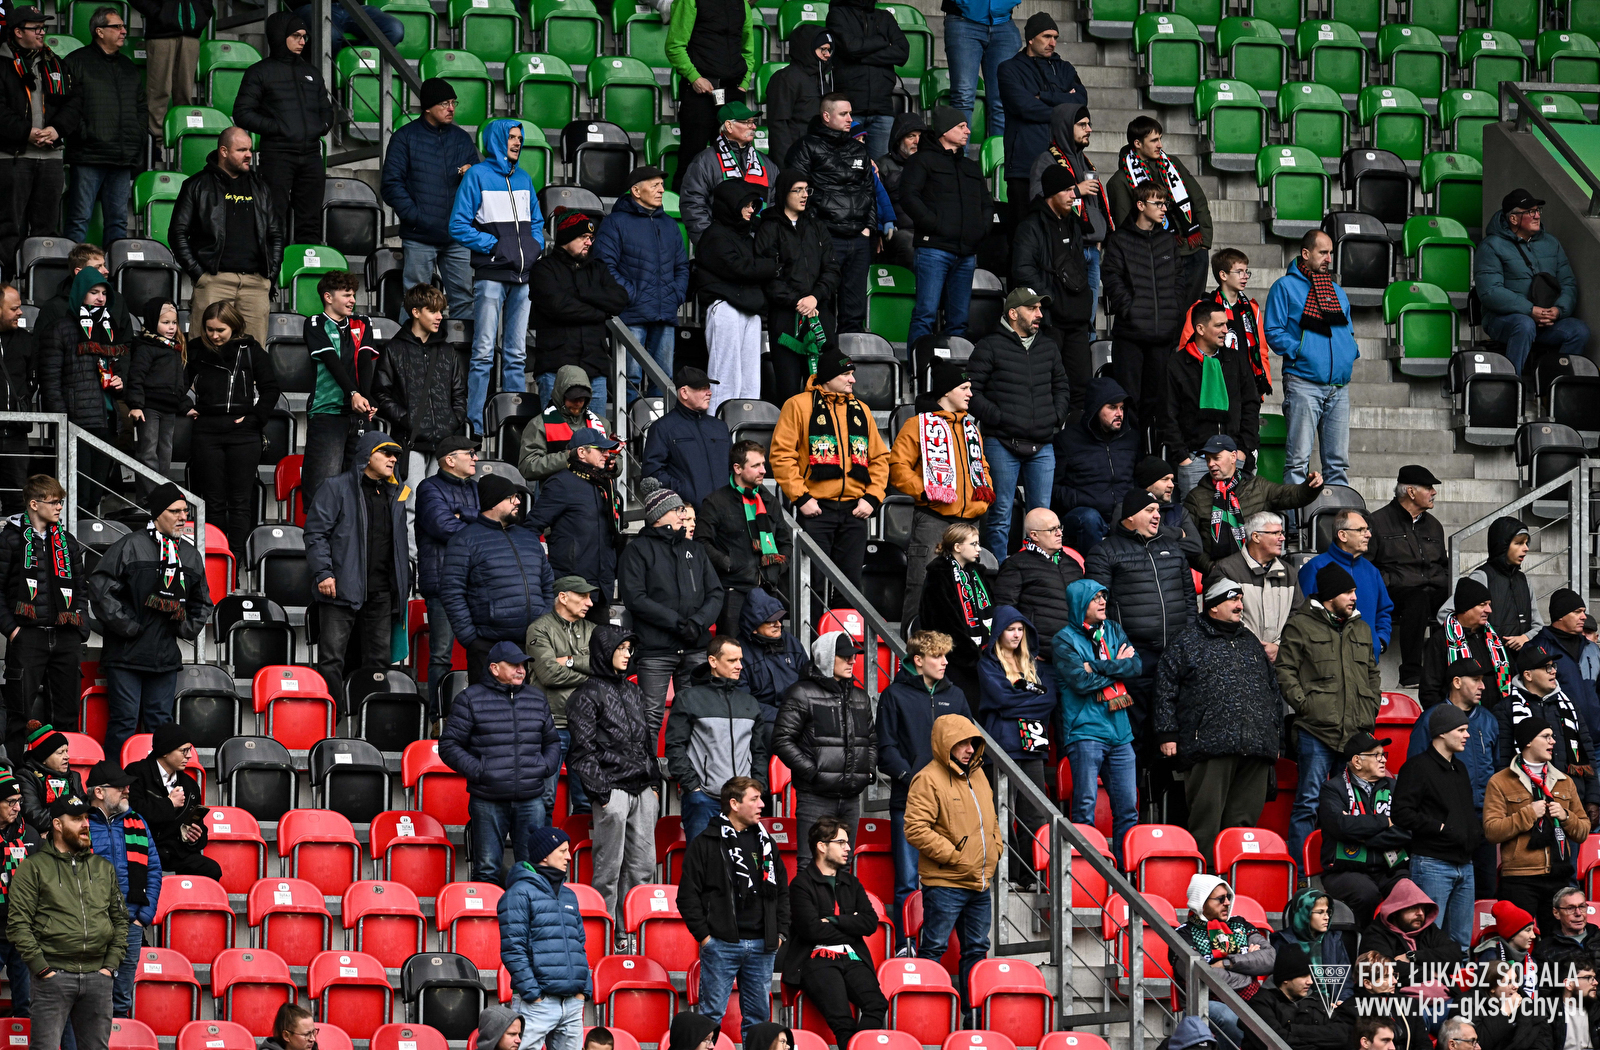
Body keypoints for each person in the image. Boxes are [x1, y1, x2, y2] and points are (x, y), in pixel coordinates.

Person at [1154, 578, 1282, 860]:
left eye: (1240, 600)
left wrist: (1275, 738)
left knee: (1243, 828)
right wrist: (1167, 733)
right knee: (1206, 824)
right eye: (1233, 600)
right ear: (1213, 606)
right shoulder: (1186, 640)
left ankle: (1238, 879)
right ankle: (1207, 879)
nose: (1240, 606)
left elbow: (1272, 691)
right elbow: (1165, 688)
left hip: (1256, 745)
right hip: (1208, 745)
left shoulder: (1250, 641)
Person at [87, 485, 212, 764]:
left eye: (185, 511)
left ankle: (155, 784)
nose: (182, 517)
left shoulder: (190, 554)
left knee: (160, 726)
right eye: (175, 511)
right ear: (157, 514)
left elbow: (203, 602)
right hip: (126, 655)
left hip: (164, 657)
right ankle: (116, 781)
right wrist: (128, 627)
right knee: (124, 722)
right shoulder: (130, 545)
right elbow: (100, 589)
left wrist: (185, 628)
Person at [1277, 562, 1383, 873]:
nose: (1354, 597)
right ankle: (1301, 875)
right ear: (1329, 595)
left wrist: (1371, 706)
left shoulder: (1362, 628)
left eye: (1354, 591)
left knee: (1349, 805)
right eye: (1348, 592)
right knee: (1308, 803)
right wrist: (1305, 705)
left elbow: (1372, 673)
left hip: (1354, 733)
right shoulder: (1300, 625)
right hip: (1316, 730)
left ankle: (1342, 871)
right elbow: (1285, 670)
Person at [8, 794, 126, 1050]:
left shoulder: (103, 868)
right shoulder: (33, 868)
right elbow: (18, 924)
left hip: (98, 977)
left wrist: (110, 966)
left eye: (85, 818)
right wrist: (42, 969)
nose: (85, 824)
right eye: (76, 819)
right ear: (57, 825)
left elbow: (120, 920)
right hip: (53, 977)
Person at [678, 776, 790, 1041]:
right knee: (709, 1020)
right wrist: (706, 937)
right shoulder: (706, 842)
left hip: (763, 945)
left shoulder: (766, 843)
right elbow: (687, 896)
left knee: (759, 1022)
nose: (762, 805)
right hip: (722, 944)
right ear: (734, 804)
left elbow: (782, 892)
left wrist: (780, 933)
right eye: (755, 799)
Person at [876, 631, 969, 946]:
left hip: (950, 806)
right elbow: (885, 749)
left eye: (945, 656)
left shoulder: (955, 696)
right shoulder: (893, 695)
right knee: (907, 882)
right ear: (918, 660)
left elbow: (968, 744)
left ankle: (934, 954)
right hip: (909, 803)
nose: (944, 663)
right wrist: (911, 778)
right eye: (937, 656)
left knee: (946, 881)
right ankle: (906, 950)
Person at [449, 119, 543, 432]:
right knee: (483, 353)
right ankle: (475, 425)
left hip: (523, 277)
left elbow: (538, 222)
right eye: (511, 137)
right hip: (491, 274)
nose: (517, 142)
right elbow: (458, 225)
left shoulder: (524, 178)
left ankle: (512, 427)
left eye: (520, 138)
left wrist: (534, 247)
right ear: (497, 140)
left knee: (517, 353)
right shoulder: (477, 175)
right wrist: (496, 246)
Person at [769, 351, 890, 592]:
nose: (852, 379)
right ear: (828, 376)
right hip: (816, 510)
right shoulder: (797, 405)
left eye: (852, 374)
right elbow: (782, 456)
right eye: (846, 374)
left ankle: (843, 621)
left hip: (855, 512)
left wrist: (872, 498)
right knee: (812, 586)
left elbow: (879, 459)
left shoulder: (862, 409)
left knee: (850, 587)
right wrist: (801, 498)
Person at [440, 640, 560, 883]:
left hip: (530, 799)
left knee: (533, 871)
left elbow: (553, 742)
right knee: (486, 870)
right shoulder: (470, 699)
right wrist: (481, 771)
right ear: (494, 668)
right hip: (488, 799)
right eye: (514, 665)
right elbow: (448, 745)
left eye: (523, 665)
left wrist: (543, 767)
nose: (521, 670)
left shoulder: (536, 698)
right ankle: (487, 911)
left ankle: (526, 910)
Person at [304, 431, 410, 705]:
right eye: (386, 453)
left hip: (382, 592)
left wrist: (402, 584)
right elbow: (316, 533)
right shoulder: (335, 487)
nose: (393, 459)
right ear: (367, 456)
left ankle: (370, 719)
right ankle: (333, 717)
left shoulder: (396, 492)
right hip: (340, 589)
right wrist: (324, 573)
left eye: (396, 455)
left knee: (378, 661)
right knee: (332, 659)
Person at [1083, 491, 1196, 744]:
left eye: (1158, 510)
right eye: (1149, 510)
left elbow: (1189, 598)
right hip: (1134, 655)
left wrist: (1188, 640)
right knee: (1136, 729)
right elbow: (1096, 607)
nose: (1157, 516)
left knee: (1173, 729)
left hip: (1175, 654)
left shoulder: (1173, 548)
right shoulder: (1104, 552)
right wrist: (1114, 647)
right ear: (1130, 516)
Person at [968, 288, 1070, 561]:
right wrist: (998, 418)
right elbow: (971, 391)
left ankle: (1039, 575)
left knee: (1042, 519)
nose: (1039, 314)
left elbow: (1062, 386)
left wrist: (1056, 417)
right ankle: (999, 576)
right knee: (1000, 516)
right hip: (1002, 443)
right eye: (1032, 309)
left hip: (1042, 445)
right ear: (1013, 313)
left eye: (1040, 308)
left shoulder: (1048, 346)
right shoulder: (989, 346)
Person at [889, 361, 996, 623]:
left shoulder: (972, 428)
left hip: (969, 524)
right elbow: (898, 468)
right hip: (933, 521)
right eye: (964, 388)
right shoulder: (917, 424)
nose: (970, 394)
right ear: (947, 391)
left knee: (965, 595)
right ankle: (914, 646)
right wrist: (927, 492)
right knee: (922, 588)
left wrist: (982, 503)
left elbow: (982, 467)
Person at [904, 714, 997, 1006]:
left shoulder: (978, 775)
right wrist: (955, 856)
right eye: (962, 743)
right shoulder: (927, 779)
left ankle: (973, 1018)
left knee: (977, 951)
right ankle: (923, 1014)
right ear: (946, 744)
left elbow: (991, 821)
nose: (969, 749)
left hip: (980, 883)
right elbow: (915, 829)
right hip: (945, 883)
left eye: (972, 743)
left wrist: (996, 848)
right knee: (933, 949)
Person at [618, 479, 724, 738]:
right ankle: (649, 766)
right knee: (651, 718)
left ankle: (688, 766)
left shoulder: (695, 549)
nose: (683, 515)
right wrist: (678, 623)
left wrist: (697, 623)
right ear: (659, 515)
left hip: (695, 647)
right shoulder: (636, 551)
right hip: (656, 649)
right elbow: (635, 598)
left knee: (695, 718)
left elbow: (715, 593)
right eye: (677, 510)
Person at [565, 626, 658, 919]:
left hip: (642, 790)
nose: (627, 654)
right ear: (605, 651)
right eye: (621, 648)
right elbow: (582, 751)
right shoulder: (585, 695)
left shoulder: (634, 691)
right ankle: (606, 932)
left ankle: (633, 931)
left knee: (643, 867)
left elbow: (647, 742)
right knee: (608, 870)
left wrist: (654, 784)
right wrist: (603, 794)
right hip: (612, 791)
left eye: (629, 649)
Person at [1053, 578, 1140, 865]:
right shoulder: (1064, 639)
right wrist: (1117, 665)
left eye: (1104, 596)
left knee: (1128, 810)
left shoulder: (1113, 629)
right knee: (1084, 808)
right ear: (1080, 604)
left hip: (1121, 732)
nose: (1103, 601)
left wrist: (1097, 665)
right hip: (1086, 731)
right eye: (1095, 598)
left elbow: (1136, 666)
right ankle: (1087, 873)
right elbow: (1081, 682)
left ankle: (1124, 876)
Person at [440, 471, 555, 686]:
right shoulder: (465, 540)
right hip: (488, 646)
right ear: (493, 502)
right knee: (488, 705)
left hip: (532, 644)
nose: (518, 501)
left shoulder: (529, 539)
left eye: (517, 497)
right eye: (511, 497)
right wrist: (471, 639)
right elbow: (451, 591)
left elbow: (548, 583)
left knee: (530, 705)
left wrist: (545, 618)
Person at [780, 818, 889, 1046]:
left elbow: (870, 923)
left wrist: (833, 920)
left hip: (851, 955)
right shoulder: (801, 884)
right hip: (817, 958)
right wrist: (851, 926)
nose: (848, 848)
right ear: (822, 846)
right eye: (841, 842)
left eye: (847, 843)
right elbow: (811, 930)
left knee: (877, 1004)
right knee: (843, 1022)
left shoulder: (851, 882)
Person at [1265, 231, 1357, 499]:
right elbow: (1273, 331)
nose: (1329, 259)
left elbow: (1348, 331)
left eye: (1331, 253)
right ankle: (1295, 521)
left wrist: (1350, 351)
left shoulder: (1336, 291)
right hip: (1303, 382)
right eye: (1323, 253)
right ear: (1305, 254)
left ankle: (1337, 519)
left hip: (1339, 386)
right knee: (1297, 463)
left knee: (1338, 465)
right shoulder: (1284, 287)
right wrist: (1302, 350)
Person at [0, 476, 87, 758]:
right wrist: (13, 630)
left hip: (66, 636)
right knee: (19, 715)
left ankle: (64, 776)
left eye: (61, 501)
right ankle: (15, 778)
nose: (60, 507)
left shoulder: (67, 541)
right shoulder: (10, 539)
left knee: (67, 714)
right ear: (34, 504)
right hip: (28, 636)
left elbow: (81, 588)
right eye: (54, 502)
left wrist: (80, 628)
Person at [170, 127, 281, 345]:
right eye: (241, 150)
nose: (249, 155)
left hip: (255, 284)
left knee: (253, 354)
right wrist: (200, 274)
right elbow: (177, 233)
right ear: (223, 151)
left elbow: (275, 234)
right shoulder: (197, 185)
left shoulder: (260, 187)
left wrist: (270, 276)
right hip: (214, 281)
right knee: (205, 351)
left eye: (250, 150)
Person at [379, 79, 480, 318]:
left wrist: (472, 174)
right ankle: (409, 343)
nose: (451, 108)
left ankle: (459, 345)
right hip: (420, 236)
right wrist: (417, 218)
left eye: (453, 102)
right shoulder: (404, 137)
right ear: (427, 107)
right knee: (416, 300)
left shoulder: (462, 138)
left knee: (464, 299)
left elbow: (478, 185)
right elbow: (391, 185)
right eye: (444, 103)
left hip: (457, 236)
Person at [1485, 715, 1592, 937]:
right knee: (1516, 942)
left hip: (1558, 877)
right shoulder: (1500, 781)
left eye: (1552, 736)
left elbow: (1583, 831)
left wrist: (1565, 816)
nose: (1553, 741)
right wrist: (1528, 814)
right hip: (1518, 878)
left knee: (1556, 944)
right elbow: (1492, 831)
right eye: (1546, 736)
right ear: (1528, 742)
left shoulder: (1564, 781)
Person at [186, 298, 280, 550]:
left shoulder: (251, 350)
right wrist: (185, 406)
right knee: (213, 501)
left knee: (240, 501)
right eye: (209, 329)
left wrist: (254, 418)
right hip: (207, 431)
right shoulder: (195, 349)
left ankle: (235, 559)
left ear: (234, 327)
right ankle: (216, 556)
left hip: (243, 432)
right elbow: (176, 384)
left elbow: (271, 389)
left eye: (220, 330)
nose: (214, 335)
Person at [232, 12, 334, 244]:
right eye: (296, 36)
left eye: (304, 37)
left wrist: (322, 127)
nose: (302, 41)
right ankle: (273, 266)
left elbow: (327, 110)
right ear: (280, 36)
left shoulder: (311, 72)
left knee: (310, 222)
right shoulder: (259, 72)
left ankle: (306, 264)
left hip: (311, 155)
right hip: (277, 155)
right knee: (273, 218)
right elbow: (242, 113)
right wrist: (277, 127)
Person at [774, 630, 877, 849]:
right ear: (826, 657)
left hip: (851, 798)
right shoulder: (801, 693)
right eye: (845, 656)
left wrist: (866, 771)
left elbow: (871, 741)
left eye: (853, 655)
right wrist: (813, 772)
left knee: (844, 862)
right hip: (815, 798)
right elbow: (782, 740)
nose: (852, 660)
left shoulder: (860, 697)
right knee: (811, 861)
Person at [592, 165, 690, 395]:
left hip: (665, 313)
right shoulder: (615, 222)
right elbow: (604, 266)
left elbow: (682, 267)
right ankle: (629, 421)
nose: (662, 190)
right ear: (636, 191)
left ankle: (657, 421)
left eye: (662, 185)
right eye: (655, 185)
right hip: (631, 314)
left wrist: (676, 294)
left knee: (664, 379)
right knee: (629, 379)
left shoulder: (670, 224)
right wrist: (631, 295)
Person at [900, 108, 992, 349]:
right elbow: (909, 197)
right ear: (944, 130)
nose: (968, 131)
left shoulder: (970, 166)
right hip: (934, 249)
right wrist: (935, 225)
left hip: (966, 253)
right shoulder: (921, 161)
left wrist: (981, 229)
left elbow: (986, 203)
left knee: (959, 321)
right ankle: (919, 368)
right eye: (961, 126)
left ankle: (954, 370)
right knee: (925, 315)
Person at [1392, 705, 1480, 953]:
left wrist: (1474, 835)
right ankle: (1426, 980)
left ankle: (1459, 980)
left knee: (1461, 944)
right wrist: (1439, 827)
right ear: (1442, 732)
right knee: (1428, 941)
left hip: (1465, 864)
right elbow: (1400, 813)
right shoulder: (1417, 767)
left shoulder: (1460, 768)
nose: (1467, 735)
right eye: (1461, 730)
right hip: (1432, 864)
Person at [665, 636, 770, 843]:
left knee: (743, 860)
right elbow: (675, 747)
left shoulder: (750, 702)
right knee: (703, 860)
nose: (739, 666)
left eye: (740, 660)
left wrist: (757, 787)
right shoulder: (689, 699)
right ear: (713, 661)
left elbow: (759, 751)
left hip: (743, 801)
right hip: (703, 799)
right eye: (732, 660)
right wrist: (693, 788)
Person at [977, 606, 1056, 881]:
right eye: (1010, 629)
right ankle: (1007, 876)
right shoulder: (988, 664)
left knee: (1034, 813)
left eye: (1020, 629)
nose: (1016, 634)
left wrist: (1015, 700)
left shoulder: (1036, 665)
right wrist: (1030, 698)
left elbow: (1049, 700)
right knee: (1002, 812)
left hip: (1033, 744)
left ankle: (1031, 877)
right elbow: (1000, 699)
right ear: (998, 632)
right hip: (1001, 746)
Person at [1101, 181, 1186, 435]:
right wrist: (1130, 309)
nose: (1164, 208)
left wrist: (1173, 311)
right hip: (1131, 337)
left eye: (1165, 203)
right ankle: (1129, 455)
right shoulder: (1119, 240)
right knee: (1128, 402)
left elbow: (1179, 280)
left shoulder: (1168, 240)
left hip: (1162, 337)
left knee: (1157, 404)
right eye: (1157, 203)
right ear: (1140, 205)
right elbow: (1112, 279)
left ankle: (1151, 457)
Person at [373, 283, 468, 510]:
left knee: (438, 507)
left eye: (441, 311)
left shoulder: (447, 351)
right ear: (415, 312)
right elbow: (381, 393)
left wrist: (453, 420)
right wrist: (407, 419)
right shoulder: (394, 349)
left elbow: (459, 393)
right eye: (432, 311)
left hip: (443, 442)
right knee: (411, 504)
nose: (439, 317)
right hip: (410, 441)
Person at [39, 268, 128, 507]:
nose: (100, 298)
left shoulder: (109, 328)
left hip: (107, 420)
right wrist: (62, 421)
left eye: (104, 293)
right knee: (79, 495)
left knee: (95, 495)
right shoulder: (60, 329)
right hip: (77, 422)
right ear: (80, 293)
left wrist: (119, 382)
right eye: (93, 292)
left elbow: (116, 368)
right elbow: (50, 382)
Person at [787, 94, 876, 334]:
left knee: (854, 310)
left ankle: (849, 356)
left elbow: (870, 190)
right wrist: (814, 229)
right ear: (826, 116)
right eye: (843, 114)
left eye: (850, 113)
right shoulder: (805, 147)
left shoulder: (859, 149)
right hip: (825, 236)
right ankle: (823, 354)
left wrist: (868, 228)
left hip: (858, 237)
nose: (850, 119)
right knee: (821, 302)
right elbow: (795, 190)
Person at [1476, 188, 1590, 373]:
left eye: (1537, 211)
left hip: (1546, 319)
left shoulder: (1551, 243)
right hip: (1502, 319)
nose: (1537, 216)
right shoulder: (1491, 246)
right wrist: (1530, 310)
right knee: (1524, 324)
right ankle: (1512, 383)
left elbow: (1568, 283)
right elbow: (1490, 292)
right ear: (1513, 219)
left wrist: (1558, 311)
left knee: (1579, 331)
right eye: (1530, 212)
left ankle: (1553, 386)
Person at [499, 826, 591, 1050]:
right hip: (537, 1004)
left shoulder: (569, 895)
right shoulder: (519, 892)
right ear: (544, 855)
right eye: (563, 851)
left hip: (572, 1004)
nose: (569, 857)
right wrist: (533, 995)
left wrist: (583, 991)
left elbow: (579, 945)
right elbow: (513, 949)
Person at [0, 8, 78, 270]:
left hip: (51, 158)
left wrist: (57, 129)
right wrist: (26, 133)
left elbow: (74, 103)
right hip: (13, 156)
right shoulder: (2, 63)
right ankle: (8, 285)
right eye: (35, 28)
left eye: (43, 28)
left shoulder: (56, 62)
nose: (42, 32)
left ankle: (40, 284)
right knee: (10, 227)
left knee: (47, 229)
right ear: (18, 32)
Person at [530, 212, 628, 416]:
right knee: (558, 433)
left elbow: (619, 299)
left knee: (596, 433)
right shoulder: (543, 269)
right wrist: (600, 312)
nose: (589, 243)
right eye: (583, 237)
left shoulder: (598, 268)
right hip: (556, 367)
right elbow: (559, 308)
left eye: (591, 238)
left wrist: (582, 293)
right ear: (566, 237)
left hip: (594, 367)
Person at [755, 169, 840, 405]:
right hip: (785, 317)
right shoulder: (768, 227)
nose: (804, 195)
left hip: (819, 313)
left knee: (823, 388)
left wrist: (815, 297)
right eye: (798, 190)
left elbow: (832, 269)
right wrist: (797, 301)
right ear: (784, 193)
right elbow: (767, 274)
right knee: (789, 389)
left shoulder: (817, 226)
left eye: (806, 190)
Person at [1181, 435, 1322, 575]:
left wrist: (1310, 487)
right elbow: (1189, 544)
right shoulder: (1196, 497)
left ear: (1233, 457)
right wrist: (1212, 568)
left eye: (1216, 458)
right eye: (1208, 459)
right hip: (1219, 576)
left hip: (1257, 572)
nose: (1211, 464)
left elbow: (1290, 495)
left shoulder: (1257, 486)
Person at [1106, 116, 1212, 302]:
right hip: (1158, 257)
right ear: (1137, 143)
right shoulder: (1120, 180)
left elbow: (1198, 199)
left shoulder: (1172, 164)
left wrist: (1204, 242)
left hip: (1193, 250)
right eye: (1154, 140)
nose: (1160, 145)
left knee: (1193, 313)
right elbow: (1125, 226)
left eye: (1160, 139)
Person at [85, 761, 161, 1019]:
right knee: (88, 999)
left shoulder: (137, 821)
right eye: (119, 787)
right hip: (90, 924)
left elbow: (154, 870)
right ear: (99, 792)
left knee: (121, 1000)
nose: (127, 790)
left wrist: (143, 917)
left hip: (130, 923)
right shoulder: (79, 823)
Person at [61, 8, 143, 245]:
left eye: (123, 26)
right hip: (88, 154)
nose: (124, 31)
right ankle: (74, 268)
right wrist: (85, 134)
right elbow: (66, 107)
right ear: (99, 31)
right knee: (79, 219)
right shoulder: (76, 62)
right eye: (117, 26)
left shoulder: (128, 66)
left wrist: (137, 133)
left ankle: (115, 268)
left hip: (122, 156)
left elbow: (141, 105)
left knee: (118, 222)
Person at [1012, 164, 1094, 398]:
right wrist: (1050, 299)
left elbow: (1080, 267)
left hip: (1076, 320)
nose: (1073, 195)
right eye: (1067, 190)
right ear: (1051, 193)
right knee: (1047, 386)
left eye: (1073, 189)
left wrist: (1084, 300)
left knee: (1081, 389)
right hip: (1049, 321)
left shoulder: (1073, 224)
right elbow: (1022, 270)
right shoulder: (1031, 226)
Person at [694, 180, 777, 410]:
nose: (752, 210)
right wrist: (772, 267)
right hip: (726, 309)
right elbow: (739, 268)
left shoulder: (748, 236)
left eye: (754, 205)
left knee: (751, 381)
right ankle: (719, 423)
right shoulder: (714, 236)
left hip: (750, 311)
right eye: (747, 205)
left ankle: (746, 425)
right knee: (725, 376)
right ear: (732, 204)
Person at [1164, 301, 1261, 496]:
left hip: (1234, 458)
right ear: (1200, 329)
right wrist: (1183, 457)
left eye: (1226, 324)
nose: (1226, 330)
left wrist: (1243, 450)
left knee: (1237, 513)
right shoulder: (1177, 364)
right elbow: (1167, 414)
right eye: (1219, 325)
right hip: (1195, 460)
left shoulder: (1236, 360)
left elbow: (1251, 404)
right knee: (1194, 515)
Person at [1316, 730, 1411, 929]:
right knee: (1367, 895)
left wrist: (1363, 836)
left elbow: (1408, 830)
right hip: (1346, 871)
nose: (1383, 760)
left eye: (1383, 754)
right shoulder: (1333, 789)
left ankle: (1400, 944)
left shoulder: (1395, 787)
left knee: (1410, 893)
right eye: (1376, 755)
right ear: (1357, 761)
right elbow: (1341, 827)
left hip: (1390, 869)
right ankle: (1367, 942)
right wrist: (1385, 821)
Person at [665, 0, 762, 194]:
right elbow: (674, 46)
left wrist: (743, 85)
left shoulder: (742, 4)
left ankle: (731, 208)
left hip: (733, 93)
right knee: (692, 158)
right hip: (700, 92)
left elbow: (748, 51)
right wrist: (694, 77)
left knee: (735, 159)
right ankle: (682, 209)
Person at [300, 271, 380, 506]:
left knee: (359, 489)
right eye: (346, 295)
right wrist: (353, 393)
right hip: (328, 412)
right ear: (328, 297)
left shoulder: (363, 322)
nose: (352, 300)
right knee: (323, 488)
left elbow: (365, 362)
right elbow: (330, 360)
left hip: (358, 414)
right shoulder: (315, 323)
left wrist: (366, 398)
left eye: (353, 295)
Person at [1496, 644, 1600, 824]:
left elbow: (1587, 752)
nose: (1553, 671)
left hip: (1572, 802)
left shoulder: (1569, 705)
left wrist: (1593, 798)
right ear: (1528, 675)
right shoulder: (1506, 709)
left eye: (1553, 666)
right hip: (1529, 806)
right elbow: (1504, 761)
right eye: (1546, 667)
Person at [413, 437, 477, 721]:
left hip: (475, 582)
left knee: (480, 651)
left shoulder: (476, 488)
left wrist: (465, 514)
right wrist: (478, 524)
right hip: (443, 583)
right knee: (441, 654)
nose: (475, 458)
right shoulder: (429, 488)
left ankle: (475, 714)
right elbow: (444, 526)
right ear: (450, 460)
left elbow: (496, 521)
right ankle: (437, 717)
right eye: (470, 453)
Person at [525, 577, 600, 817]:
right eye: (583, 596)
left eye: (590, 597)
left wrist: (568, 661)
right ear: (563, 597)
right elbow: (549, 674)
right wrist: (589, 673)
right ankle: (543, 843)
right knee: (545, 799)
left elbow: (606, 668)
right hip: (552, 725)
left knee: (587, 801)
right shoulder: (539, 629)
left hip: (587, 726)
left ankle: (578, 844)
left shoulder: (593, 630)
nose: (589, 603)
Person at [698, 442, 791, 636]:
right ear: (737, 468)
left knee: (768, 648)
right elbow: (701, 542)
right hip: (733, 592)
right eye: (756, 465)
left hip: (768, 589)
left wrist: (777, 568)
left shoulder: (769, 501)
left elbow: (785, 542)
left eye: (763, 464)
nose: (763, 470)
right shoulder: (716, 502)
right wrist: (728, 564)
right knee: (733, 648)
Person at [1368, 465, 1448, 688]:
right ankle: (1411, 673)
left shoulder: (1434, 525)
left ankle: (1452, 668)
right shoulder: (1377, 521)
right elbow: (1367, 565)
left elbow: (1444, 564)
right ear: (1411, 492)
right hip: (1396, 591)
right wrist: (1391, 581)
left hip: (1432, 588)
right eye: (1428, 488)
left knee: (1464, 598)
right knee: (1417, 598)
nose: (1434, 492)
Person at [527, 430, 624, 611]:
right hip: (572, 588)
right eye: (600, 449)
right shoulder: (561, 483)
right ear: (581, 452)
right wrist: (541, 570)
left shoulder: (605, 484)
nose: (606, 454)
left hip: (602, 588)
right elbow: (531, 527)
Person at [1172, 874, 1274, 1045]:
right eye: (1220, 899)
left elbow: (1270, 957)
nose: (1227, 902)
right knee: (1229, 1017)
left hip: (1251, 999)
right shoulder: (1183, 935)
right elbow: (1203, 975)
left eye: (1228, 897)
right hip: (1206, 1002)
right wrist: (1248, 968)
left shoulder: (1240, 924)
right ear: (1202, 902)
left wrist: (1229, 963)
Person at [1028, 105, 1107, 322]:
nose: (1089, 129)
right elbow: (1037, 200)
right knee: (1070, 317)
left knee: (1089, 320)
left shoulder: (1086, 162)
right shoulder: (1046, 160)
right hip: (1066, 249)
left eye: (1089, 124)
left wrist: (1100, 239)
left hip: (1092, 249)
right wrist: (1076, 190)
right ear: (1064, 127)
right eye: (1082, 125)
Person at [995, 13, 1085, 205]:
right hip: (1023, 164)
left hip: (1062, 164)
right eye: (1046, 36)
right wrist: (1064, 107)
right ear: (1030, 39)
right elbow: (1025, 107)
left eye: (1055, 38)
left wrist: (1043, 96)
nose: (1052, 43)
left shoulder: (1065, 68)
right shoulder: (1009, 69)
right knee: (1025, 221)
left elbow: (1080, 101)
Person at [1051, 379, 1137, 554]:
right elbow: (1052, 487)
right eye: (1112, 407)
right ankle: (1094, 568)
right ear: (1095, 408)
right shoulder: (1067, 440)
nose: (1119, 413)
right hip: (1082, 515)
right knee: (1090, 518)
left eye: (1122, 408)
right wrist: (1082, 499)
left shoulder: (1130, 439)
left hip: (1121, 514)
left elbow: (1138, 478)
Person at [124, 723, 217, 879]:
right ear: (165, 751)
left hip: (176, 852)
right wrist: (169, 804)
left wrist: (193, 837)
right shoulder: (136, 772)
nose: (189, 755)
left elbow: (199, 825)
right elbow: (132, 812)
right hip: (144, 848)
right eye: (184, 750)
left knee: (210, 869)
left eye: (189, 750)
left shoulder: (190, 785)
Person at [1296, 509, 1395, 655]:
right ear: (1342, 535)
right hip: (1326, 661)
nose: (1368, 535)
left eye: (1368, 529)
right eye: (1361, 530)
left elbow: (1384, 611)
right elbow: (1301, 615)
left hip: (1366, 661)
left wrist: (1379, 643)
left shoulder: (1372, 571)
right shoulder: (1315, 567)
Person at [1208, 511, 1301, 663]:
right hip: (1237, 659)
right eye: (1276, 533)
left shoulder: (1289, 572)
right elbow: (1222, 617)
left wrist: (1279, 647)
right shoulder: (1227, 569)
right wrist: (1252, 646)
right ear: (1256, 537)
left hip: (1280, 659)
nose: (1282, 538)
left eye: (1282, 533)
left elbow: (1297, 616)